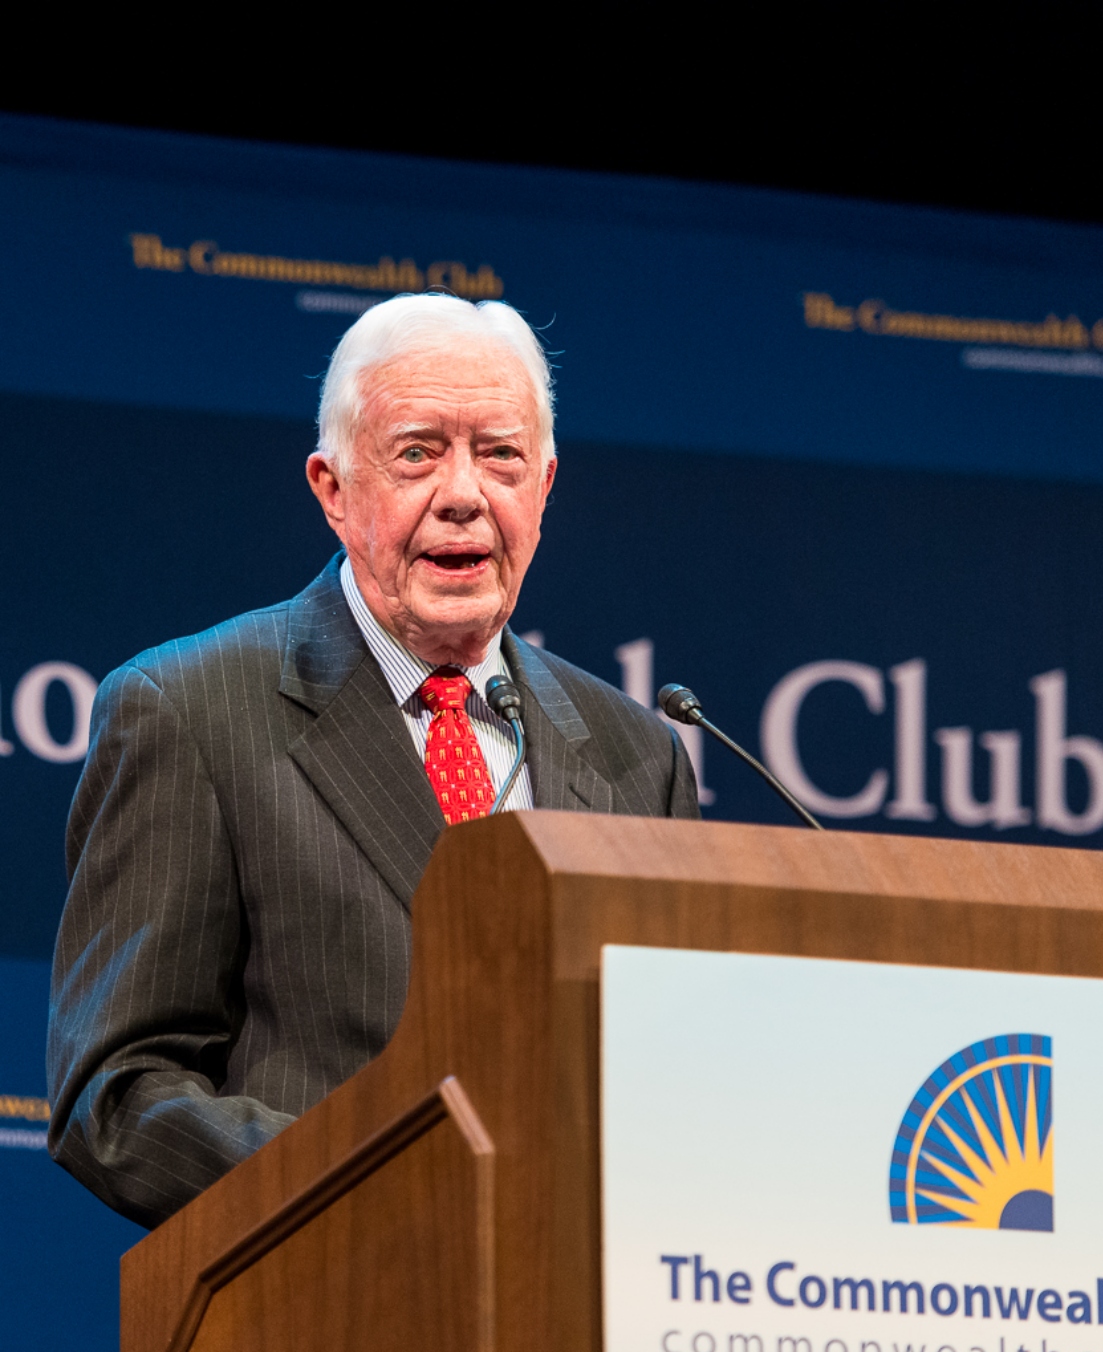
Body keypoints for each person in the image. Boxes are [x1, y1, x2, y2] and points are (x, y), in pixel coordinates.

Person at [46, 293, 699, 1228]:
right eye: (418, 453)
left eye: (501, 455)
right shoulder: (191, 712)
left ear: (545, 487)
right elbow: (116, 1097)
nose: (466, 493)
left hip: (586, 1332)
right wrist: (380, 1184)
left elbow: (679, 1077)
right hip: (333, 1316)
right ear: (335, 490)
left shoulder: (640, 755)